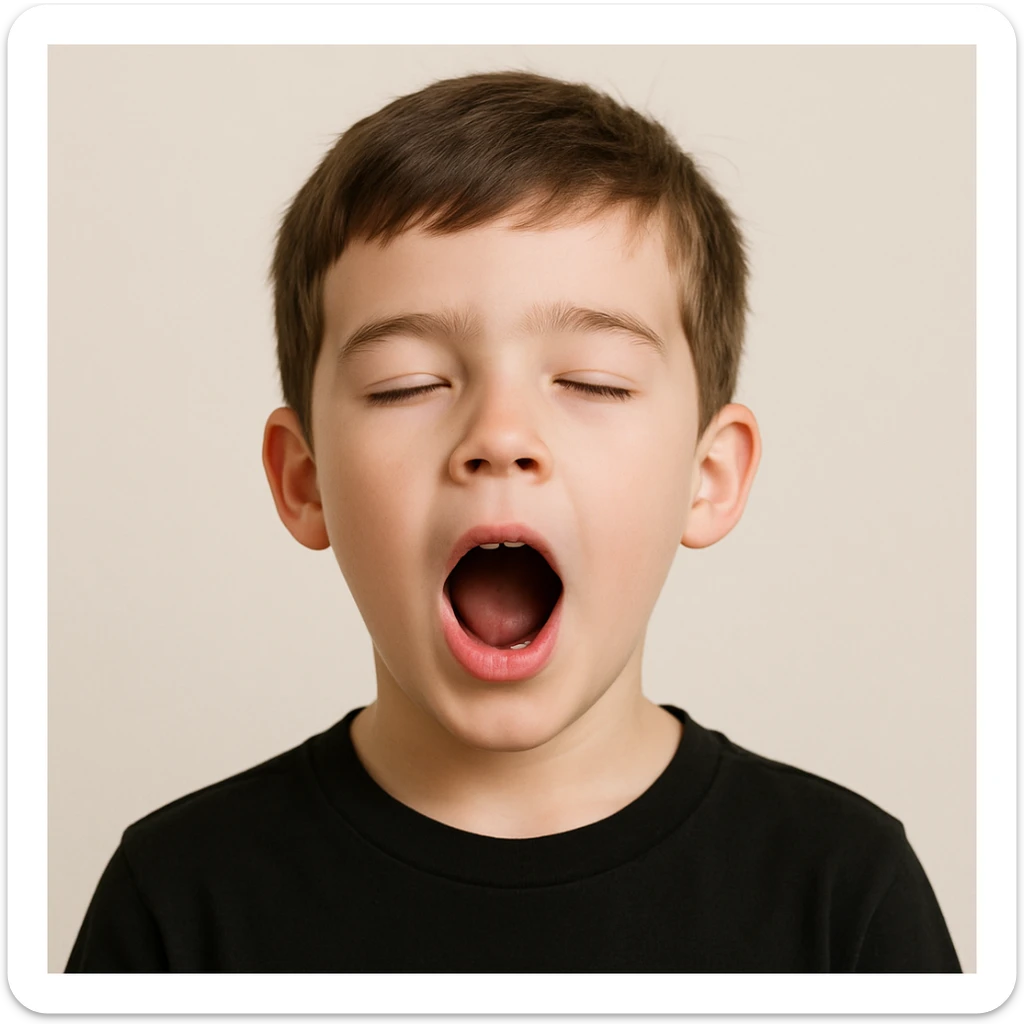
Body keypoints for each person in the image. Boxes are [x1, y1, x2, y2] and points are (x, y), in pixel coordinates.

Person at [66, 69, 961, 973]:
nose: (499, 437)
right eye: (406, 385)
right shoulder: (176, 901)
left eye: (592, 382)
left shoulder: (843, 894)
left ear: (709, 476)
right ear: (305, 481)